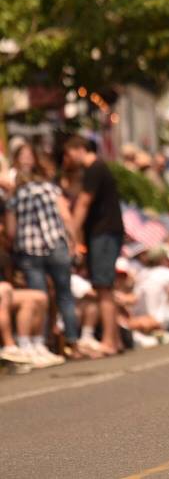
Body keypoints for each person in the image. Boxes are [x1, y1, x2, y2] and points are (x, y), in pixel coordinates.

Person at [5, 143, 93, 360]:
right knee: (64, 295)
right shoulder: (50, 189)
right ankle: (72, 342)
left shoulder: (15, 196)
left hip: (29, 249)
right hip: (56, 245)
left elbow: (11, 231)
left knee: (40, 297)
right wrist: (74, 242)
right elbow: (66, 217)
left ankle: (41, 343)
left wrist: (13, 247)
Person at [64, 135, 125, 356]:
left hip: (103, 233)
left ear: (80, 149)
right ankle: (116, 339)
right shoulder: (100, 168)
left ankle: (109, 340)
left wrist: (71, 232)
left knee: (103, 287)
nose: (68, 159)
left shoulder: (94, 169)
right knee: (106, 286)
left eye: (69, 153)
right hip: (108, 232)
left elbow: (83, 202)